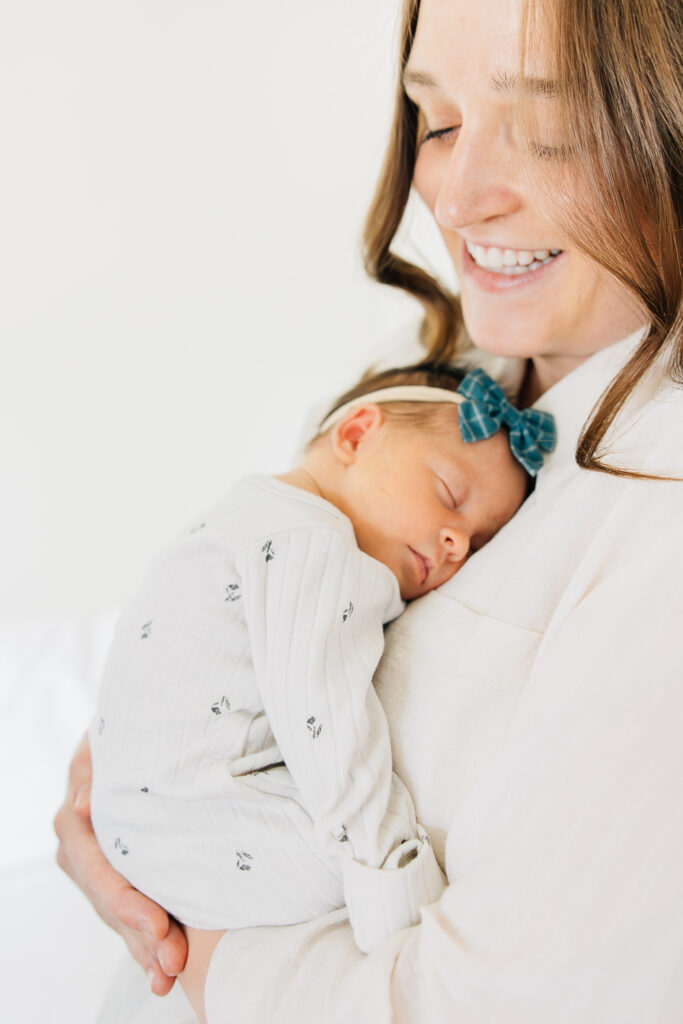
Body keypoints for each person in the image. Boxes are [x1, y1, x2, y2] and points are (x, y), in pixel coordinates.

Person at [54, 0, 683, 1020]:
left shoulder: (657, 523)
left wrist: (196, 943)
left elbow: (504, 1003)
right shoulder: (431, 399)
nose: (458, 196)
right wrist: (113, 798)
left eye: (545, 129)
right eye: (433, 122)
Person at [89, 361, 539, 979]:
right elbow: (325, 721)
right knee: (483, 863)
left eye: (480, 540)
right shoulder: (311, 540)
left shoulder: (246, 512)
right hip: (204, 818)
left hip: (141, 826)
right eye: (449, 494)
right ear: (356, 435)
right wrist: (394, 881)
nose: (458, 541)